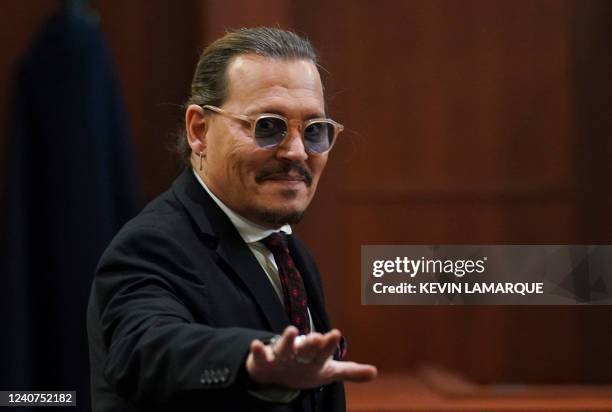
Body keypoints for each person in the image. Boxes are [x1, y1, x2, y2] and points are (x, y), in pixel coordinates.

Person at [87, 27, 377, 411]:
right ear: (199, 131)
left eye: (314, 131)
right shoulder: (152, 244)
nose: (297, 152)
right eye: (268, 126)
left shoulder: (288, 251)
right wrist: (250, 360)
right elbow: (147, 347)